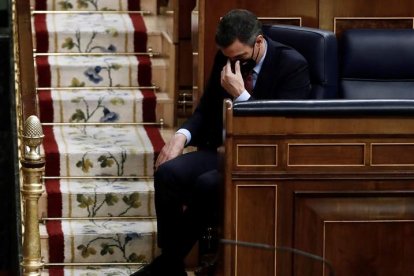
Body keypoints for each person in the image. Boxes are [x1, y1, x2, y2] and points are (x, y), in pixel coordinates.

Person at [131, 9, 311, 276]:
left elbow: (284, 128)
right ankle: (172, 264)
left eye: (240, 57)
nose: (234, 63)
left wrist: (241, 96)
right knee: (168, 172)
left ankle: (166, 265)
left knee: (207, 184)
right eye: (229, 57)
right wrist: (181, 136)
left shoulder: (292, 65)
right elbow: (206, 108)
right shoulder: (227, 56)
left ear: (259, 42)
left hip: (266, 157)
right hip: (223, 150)